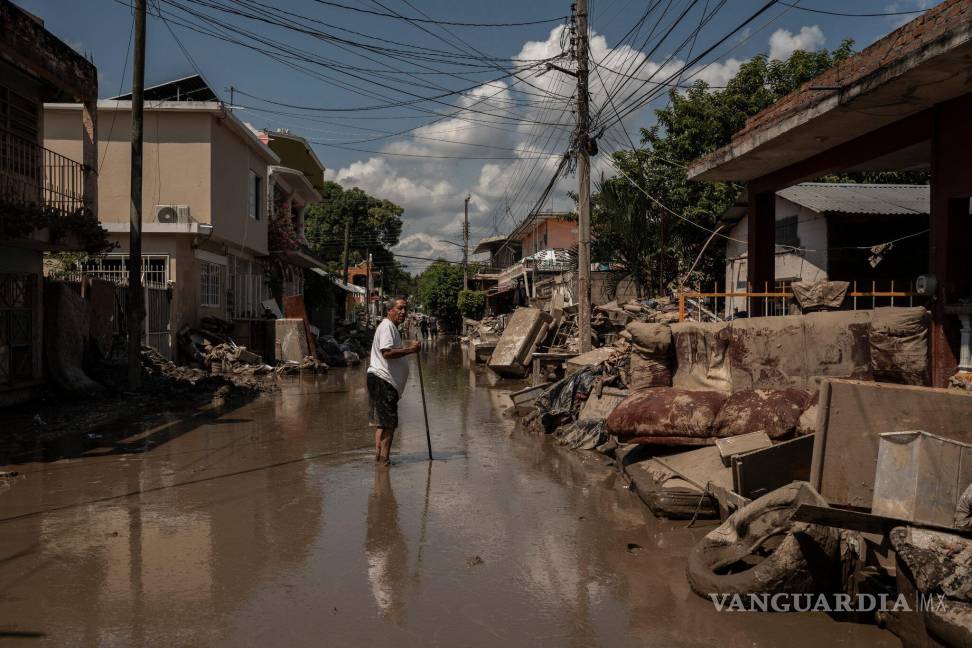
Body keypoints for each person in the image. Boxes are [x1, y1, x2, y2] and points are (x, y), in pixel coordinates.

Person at [368, 297, 420, 465]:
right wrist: (411, 349)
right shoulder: (387, 327)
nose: (403, 312)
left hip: (381, 380)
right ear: (389, 310)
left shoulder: (391, 328)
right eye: (400, 308)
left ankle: (379, 459)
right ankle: (384, 461)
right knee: (389, 423)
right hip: (383, 380)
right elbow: (387, 352)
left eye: (405, 308)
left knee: (382, 423)